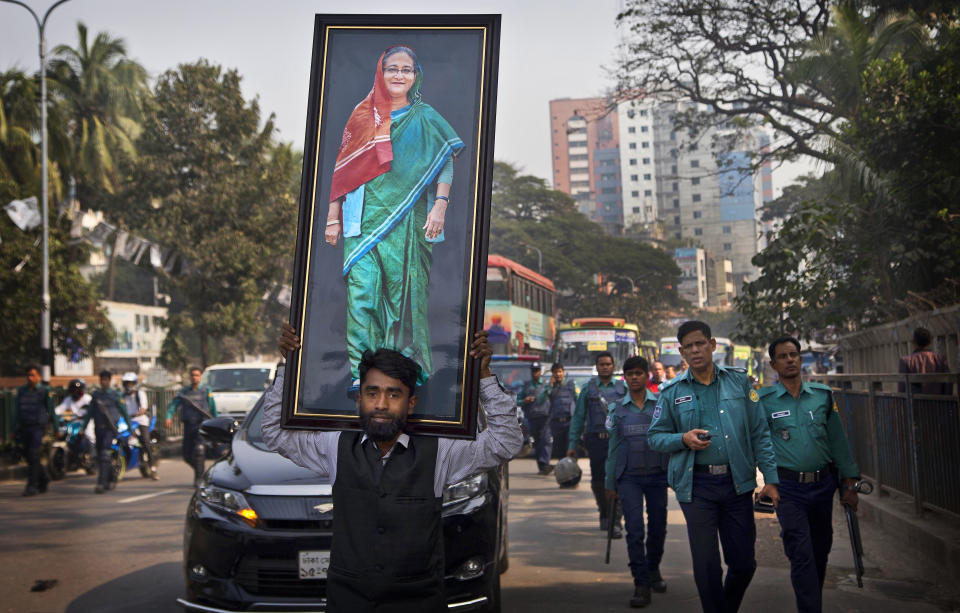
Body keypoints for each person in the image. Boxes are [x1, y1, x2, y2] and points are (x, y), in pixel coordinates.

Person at [264, 324, 522, 612]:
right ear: (359, 399)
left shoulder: (439, 452)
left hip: (418, 602)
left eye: (393, 395)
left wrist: (484, 376)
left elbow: (506, 441)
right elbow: (275, 433)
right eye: (372, 393)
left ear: (410, 403)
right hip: (349, 601)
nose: (382, 404)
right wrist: (289, 365)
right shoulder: (334, 446)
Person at [324, 45, 464, 388]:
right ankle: (362, 374)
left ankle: (401, 373)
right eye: (392, 69)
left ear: (416, 77)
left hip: (406, 221)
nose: (399, 75)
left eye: (406, 69)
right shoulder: (362, 115)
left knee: (402, 300)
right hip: (361, 221)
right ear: (381, 73)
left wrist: (440, 205)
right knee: (362, 297)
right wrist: (333, 215)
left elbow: (445, 158)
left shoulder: (426, 117)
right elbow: (343, 170)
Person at [648, 320, 779, 613]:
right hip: (696, 487)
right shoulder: (670, 391)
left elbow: (760, 432)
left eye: (700, 344)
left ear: (712, 345)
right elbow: (655, 437)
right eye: (688, 347)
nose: (695, 351)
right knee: (707, 565)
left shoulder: (739, 382)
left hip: (737, 484)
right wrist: (683, 438)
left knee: (744, 563)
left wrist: (770, 479)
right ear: (682, 352)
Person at [759, 336, 860, 613]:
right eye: (783, 356)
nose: (790, 359)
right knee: (801, 554)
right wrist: (769, 481)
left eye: (794, 354)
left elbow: (838, 441)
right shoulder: (764, 401)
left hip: (822, 486)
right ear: (773, 364)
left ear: (800, 359)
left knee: (819, 549)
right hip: (788, 489)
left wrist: (849, 481)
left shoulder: (822, 396)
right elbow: (762, 444)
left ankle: (810, 599)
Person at [605, 356, 669, 608]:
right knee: (634, 530)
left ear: (647, 376)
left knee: (658, 529)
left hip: (657, 476)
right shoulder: (616, 409)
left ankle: (653, 570)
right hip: (628, 478)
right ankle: (641, 583)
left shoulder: (661, 406)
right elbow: (613, 448)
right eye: (629, 373)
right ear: (625, 377)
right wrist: (610, 483)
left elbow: (671, 439)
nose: (634, 377)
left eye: (639, 373)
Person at [567, 352, 627, 535]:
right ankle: (604, 512)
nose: (605, 367)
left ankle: (615, 520)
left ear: (613, 366)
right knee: (598, 481)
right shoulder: (588, 389)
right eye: (601, 364)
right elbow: (578, 417)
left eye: (608, 364)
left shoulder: (622, 387)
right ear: (597, 366)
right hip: (596, 442)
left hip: (618, 442)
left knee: (619, 479)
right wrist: (572, 444)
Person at [165, 366, 218, 487]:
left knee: (199, 450)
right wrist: (169, 417)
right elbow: (174, 405)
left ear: (200, 377)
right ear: (190, 377)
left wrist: (216, 423)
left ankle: (199, 478)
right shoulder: (184, 392)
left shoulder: (206, 391)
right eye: (193, 375)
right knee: (186, 455)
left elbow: (213, 409)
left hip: (202, 425)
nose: (195, 377)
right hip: (189, 425)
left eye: (197, 375)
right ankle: (201, 473)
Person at [84, 370, 131, 494]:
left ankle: (101, 483)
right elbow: (89, 412)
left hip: (110, 430)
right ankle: (112, 478)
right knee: (101, 457)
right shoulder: (96, 395)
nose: (104, 382)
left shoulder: (115, 395)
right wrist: (82, 428)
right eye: (102, 379)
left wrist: (131, 428)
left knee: (105, 454)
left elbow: (124, 412)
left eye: (106, 379)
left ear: (109, 381)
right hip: (98, 428)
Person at [14, 364, 57, 496]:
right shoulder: (21, 391)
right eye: (28, 375)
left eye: (33, 375)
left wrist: (56, 428)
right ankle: (44, 478)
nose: (30, 378)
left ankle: (31, 486)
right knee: (29, 456)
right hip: (24, 427)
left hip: (37, 428)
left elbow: (51, 411)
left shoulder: (44, 391)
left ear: (38, 376)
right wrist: (12, 428)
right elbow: (16, 411)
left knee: (33, 454)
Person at [122, 372, 157, 479]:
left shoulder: (140, 394)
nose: (129, 385)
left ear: (135, 383)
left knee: (145, 442)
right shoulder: (122, 396)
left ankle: (153, 468)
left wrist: (135, 414)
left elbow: (143, 409)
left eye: (131, 383)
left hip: (141, 421)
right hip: (127, 422)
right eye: (127, 383)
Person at [520, 361, 552, 474]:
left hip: (545, 417)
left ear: (540, 371)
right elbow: (517, 401)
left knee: (546, 440)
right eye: (533, 371)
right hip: (532, 418)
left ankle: (545, 464)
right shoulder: (526, 386)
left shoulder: (546, 384)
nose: (535, 373)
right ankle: (542, 465)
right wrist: (524, 400)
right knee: (537, 442)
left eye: (537, 371)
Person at [898, 327, 951, 395]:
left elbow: (902, 389)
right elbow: (948, 384)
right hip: (939, 403)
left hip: (916, 404)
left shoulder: (905, 361)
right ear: (930, 341)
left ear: (914, 342)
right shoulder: (941, 359)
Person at [55, 378, 94, 461]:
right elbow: (59, 409)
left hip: (85, 424)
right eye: (74, 390)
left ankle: (90, 456)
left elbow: (92, 411)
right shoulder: (68, 399)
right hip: (73, 424)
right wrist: (53, 413)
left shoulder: (88, 399)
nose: (76, 392)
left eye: (78, 390)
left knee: (90, 436)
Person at [545, 363, 577, 459]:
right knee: (559, 449)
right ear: (552, 374)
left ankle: (571, 469)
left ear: (563, 372)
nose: (558, 374)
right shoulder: (549, 387)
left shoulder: (571, 385)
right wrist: (550, 386)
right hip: (556, 423)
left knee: (570, 448)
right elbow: (542, 400)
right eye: (555, 372)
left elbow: (577, 400)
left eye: (560, 372)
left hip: (569, 422)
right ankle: (562, 469)